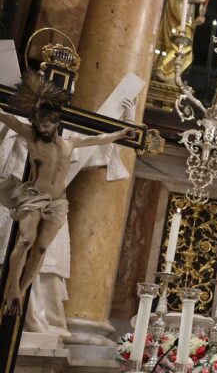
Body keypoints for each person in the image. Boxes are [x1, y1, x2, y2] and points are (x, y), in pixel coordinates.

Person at [0, 73, 127, 316]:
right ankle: (13, 289)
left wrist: (122, 134)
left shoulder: (71, 144)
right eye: (38, 122)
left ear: (56, 121)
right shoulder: (31, 136)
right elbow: (5, 116)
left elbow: (99, 138)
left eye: (46, 123)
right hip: (33, 196)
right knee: (26, 240)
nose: (41, 126)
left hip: (58, 202)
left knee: (41, 249)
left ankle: (23, 291)